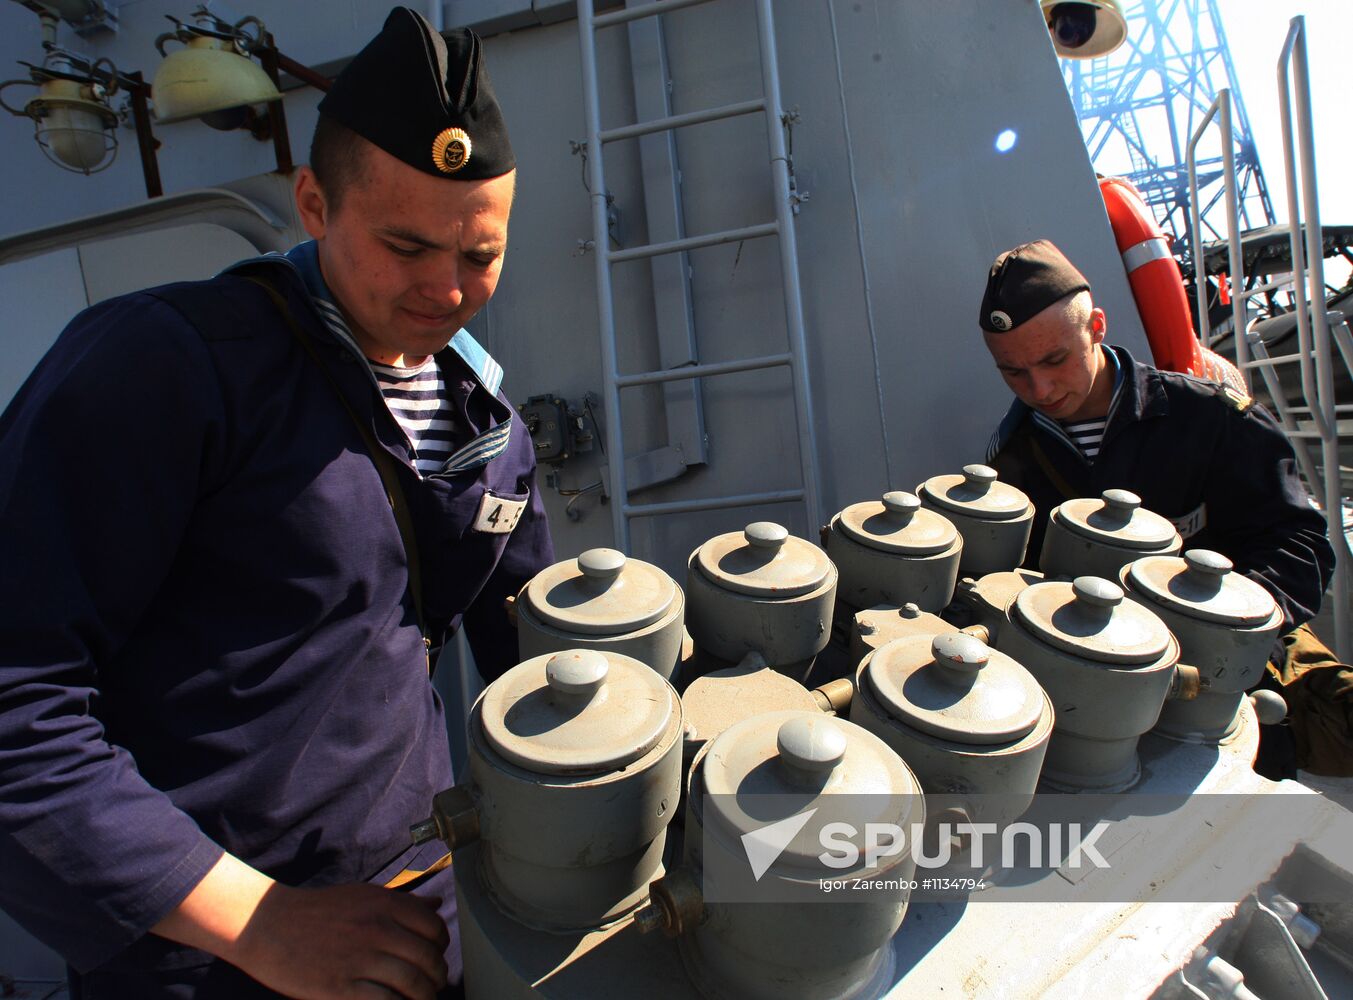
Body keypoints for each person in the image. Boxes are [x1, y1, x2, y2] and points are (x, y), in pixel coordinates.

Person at [0, 9, 552, 998]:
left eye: (479, 256)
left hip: (421, 923)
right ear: (311, 202)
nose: (446, 290)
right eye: (405, 245)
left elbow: (541, 649)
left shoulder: (487, 424)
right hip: (213, 959)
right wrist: (259, 925)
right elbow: (16, 701)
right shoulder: (166, 370)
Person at [978, 238, 1347, 777]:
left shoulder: (1211, 421)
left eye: (1055, 359)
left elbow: (1300, 544)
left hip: (1227, 672)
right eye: (1013, 372)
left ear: (1097, 326)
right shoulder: (1013, 459)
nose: (1040, 387)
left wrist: (1228, 625)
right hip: (1095, 685)